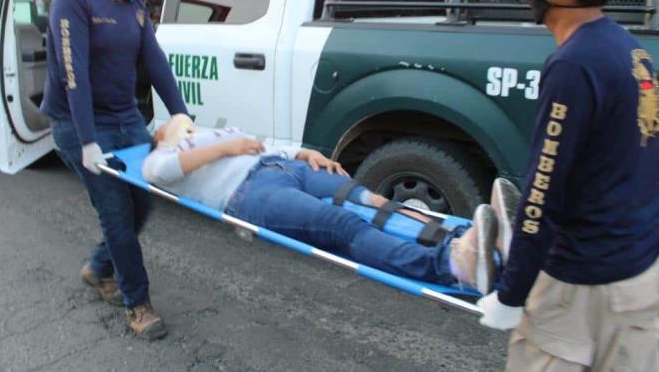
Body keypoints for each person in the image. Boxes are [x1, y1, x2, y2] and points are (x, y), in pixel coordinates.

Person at [477, 0, 659, 371]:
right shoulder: (632, 50)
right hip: (638, 276)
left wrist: (512, 294)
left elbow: (542, 194)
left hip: (578, 287)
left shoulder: (574, 65)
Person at [142, 115, 521, 294]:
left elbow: (261, 146)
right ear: (157, 136)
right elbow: (157, 173)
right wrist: (225, 147)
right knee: (343, 224)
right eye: (164, 125)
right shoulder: (159, 155)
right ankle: (454, 265)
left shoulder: (208, 130)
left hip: (284, 167)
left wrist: (306, 153)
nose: (173, 122)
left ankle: (466, 236)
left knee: (370, 201)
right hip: (248, 193)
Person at [41, 0, 188, 341]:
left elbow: (155, 62)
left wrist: (181, 115)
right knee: (117, 213)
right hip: (79, 123)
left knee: (142, 204)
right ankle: (137, 303)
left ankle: (99, 267)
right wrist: (88, 141)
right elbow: (75, 77)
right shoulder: (74, 0)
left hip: (125, 119)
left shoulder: (134, 5)